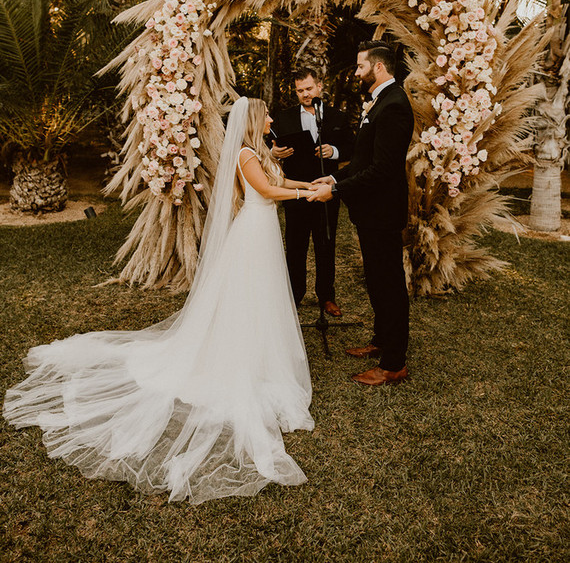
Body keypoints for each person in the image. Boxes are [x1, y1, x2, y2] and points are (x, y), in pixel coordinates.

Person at [3, 98, 316, 503]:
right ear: (255, 119)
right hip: (254, 234)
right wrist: (306, 196)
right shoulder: (245, 155)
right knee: (250, 299)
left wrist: (309, 184)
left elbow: (281, 182)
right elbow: (267, 190)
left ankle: (262, 356)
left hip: (264, 233)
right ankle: (242, 359)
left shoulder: (262, 151)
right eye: (268, 114)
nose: (273, 118)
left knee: (265, 299)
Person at [308, 43, 414, 386]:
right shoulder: (380, 102)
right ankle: (381, 340)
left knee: (389, 285)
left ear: (378, 68)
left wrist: (335, 192)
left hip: (383, 212)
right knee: (377, 280)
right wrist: (336, 176)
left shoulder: (394, 105)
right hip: (371, 213)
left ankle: (394, 363)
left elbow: (383, 169)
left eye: (359, 66)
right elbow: (364, 159)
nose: (355, 72)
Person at [271, 68, 353, 316]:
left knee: (325, 244)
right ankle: (294, 296)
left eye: (309, 88)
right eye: (300, 90)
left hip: (326, 190)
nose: (305, 94)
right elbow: (266, 146)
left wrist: (334, 152)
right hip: (295, 191)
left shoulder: (337, 116)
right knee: (295, 246)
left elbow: (353, 149)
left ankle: (326, 296)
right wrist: (273, 154)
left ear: (319, 87)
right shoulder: (282, 118)